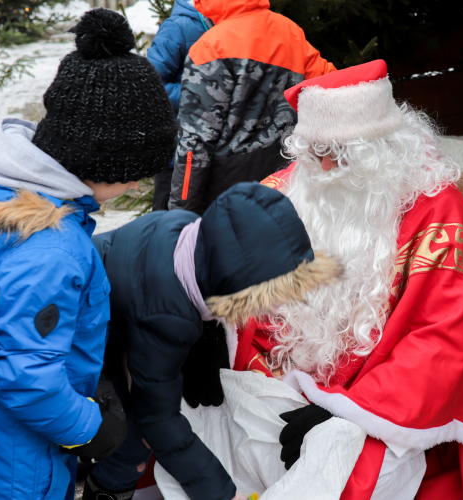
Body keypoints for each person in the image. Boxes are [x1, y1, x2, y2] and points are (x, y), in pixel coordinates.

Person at [231, 59, 463, 499]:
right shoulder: (282, 192)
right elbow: (251, 310)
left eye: (341, 155)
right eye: (313, 152)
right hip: (286, 390)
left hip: (385, 408)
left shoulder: (437, 208)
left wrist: (348, 413)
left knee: (350, 478)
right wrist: (274, 386)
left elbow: (439, 338)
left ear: (382, 147)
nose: (323, 169)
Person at [0, 8, 177, 500]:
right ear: (100, 159)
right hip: (14, 462)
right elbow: (28, 380)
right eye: (135, 171)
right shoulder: (49, 246)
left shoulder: (10, 186)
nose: (137, 183)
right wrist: (90, 427)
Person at [86, 182, 340, 500]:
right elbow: (158, 419)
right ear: (232, 282)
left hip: (107, 316)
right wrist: (221, 493)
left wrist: (207, 329)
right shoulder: (169, 313)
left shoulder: (182, 233)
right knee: (124, 431)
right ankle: (108, 491)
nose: (270, 308)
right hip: (81, 339)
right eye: (261, 295)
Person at [168, 0, 336, 215]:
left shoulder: (210, 47)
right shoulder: (289, 32)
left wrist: (180, 211)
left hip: (227, 191)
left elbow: (194, 142)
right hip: (286, 179)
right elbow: (331, 87)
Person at [147, 0, 213, 210]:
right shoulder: (177, 27)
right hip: (178, 149)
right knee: (167, 216)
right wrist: (200, 95)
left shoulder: (223, 25)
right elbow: (151, 84)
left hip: (210, 149)